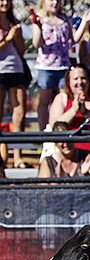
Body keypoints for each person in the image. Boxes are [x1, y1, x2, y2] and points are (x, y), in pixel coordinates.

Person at [32, 0, 81, 131]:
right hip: (46, 67)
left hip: (63, 65)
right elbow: (37, 43)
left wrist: (85, 21)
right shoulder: (41, 19)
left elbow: (74, 38)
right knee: (44, 100)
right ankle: (43, 131)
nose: (54, 3)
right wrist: (37, 26)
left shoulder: (65, 19)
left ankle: (62, 128)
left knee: (64, 98)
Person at [48, 64, 90, 163]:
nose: (80, 82)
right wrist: (73, 110)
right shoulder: (61, 98)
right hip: (67, 152)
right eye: (75, 79)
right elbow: (54, 126)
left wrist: (85, 112)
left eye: (83, 78)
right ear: (68, 82)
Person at [0, 0, 27, 167]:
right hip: (0, 70)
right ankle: (2, 157)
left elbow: (22, 50)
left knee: (20, 112)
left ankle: (18, 155)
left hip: (15, 69)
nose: (5, 3)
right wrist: (7, 38)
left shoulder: (14, 22)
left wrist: (16, 37)